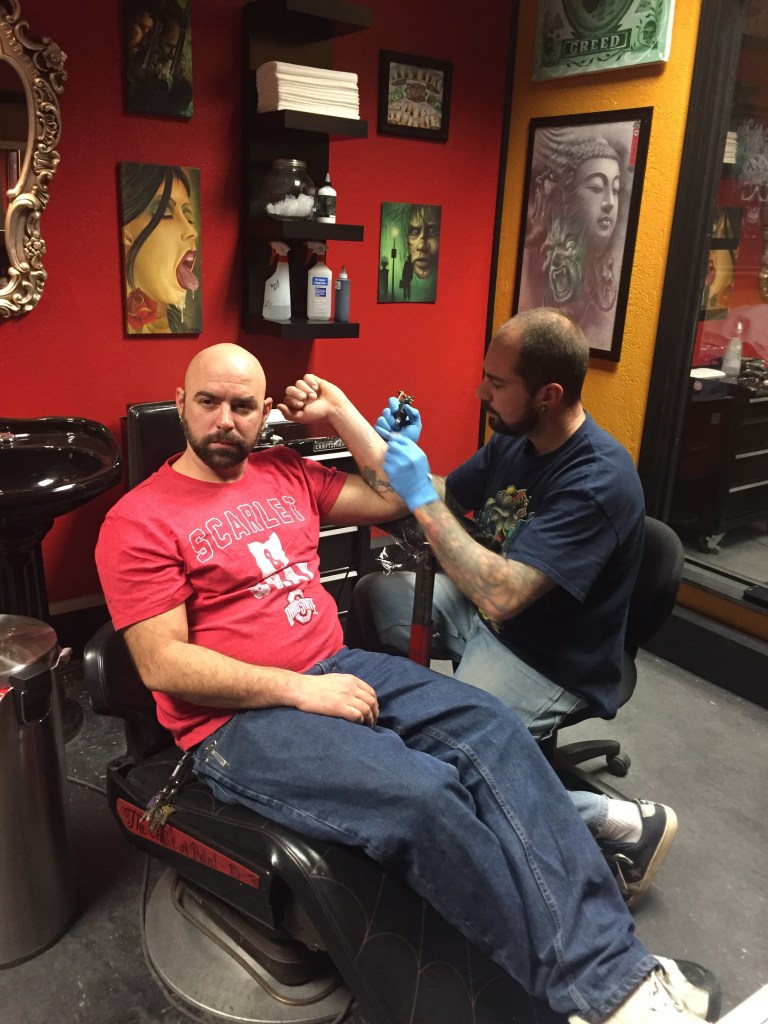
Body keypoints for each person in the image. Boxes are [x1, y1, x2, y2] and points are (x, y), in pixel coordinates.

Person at [95, 343, 712, 1024]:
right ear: (181, 404)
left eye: (243, 406)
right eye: (208, 401)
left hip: (338, 667)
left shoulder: (287, 470)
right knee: (423, 795)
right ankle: (590, 990)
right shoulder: (140, 519)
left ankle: (618, 980)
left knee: (494, 730)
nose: (224, 420)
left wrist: (341, 413)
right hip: (236, 722)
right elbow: (163, 664)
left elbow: (396, 496)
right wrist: (298, 690)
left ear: (264, 413)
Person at [347, 307, 676, 907]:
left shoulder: (598, 480)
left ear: (548, 395)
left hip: (551, 656)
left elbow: (501, 593)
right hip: (490, 616)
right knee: (376, 593)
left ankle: (624, 822)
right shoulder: (517, 440)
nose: (481, 393)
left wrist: (417, 493)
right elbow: (448, 498)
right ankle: (430, 732)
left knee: (439, 771)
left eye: (497, 383)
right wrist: (402, 457)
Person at [521, 137, 622, 350]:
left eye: (615, 190)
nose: (609, 203)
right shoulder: (539, 264)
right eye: (596, 187)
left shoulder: (601, 278)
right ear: (566, 197)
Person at [121, 162, 200, 335]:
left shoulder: (181, 328)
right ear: (126, 233)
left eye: (189, 218)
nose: (191, 231)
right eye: (165, 213)